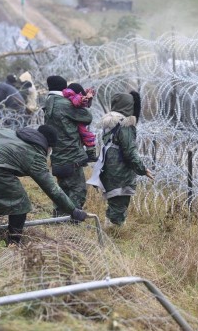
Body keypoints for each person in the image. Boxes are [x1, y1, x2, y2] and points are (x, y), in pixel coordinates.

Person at [0, 125, 87, 244]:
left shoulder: (10, 132)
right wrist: (72, 210)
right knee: (20, 203)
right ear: (48, 146)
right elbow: (52, 189)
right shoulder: (35, 154)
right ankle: (14, 242)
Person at [95, 91, 153, 227]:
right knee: (119, 204)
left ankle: (110, 228)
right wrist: (143, 169)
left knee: (114, 201)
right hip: (120, 170)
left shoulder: (109, 122)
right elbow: (129, 151)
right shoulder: (125, 124)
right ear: (128, 106)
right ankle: (114, 233)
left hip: (108, 166)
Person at [43, 75, 93, 215]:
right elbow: (87, 117)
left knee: (62, 191)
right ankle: (72, 223)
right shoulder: (65, 104)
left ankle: (58, 219)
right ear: (64, 88)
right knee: (78, 191)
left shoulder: (48, 102)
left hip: (57, 156)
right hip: (72, 157)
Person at [62, 83, 98, 162]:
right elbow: (76, 101)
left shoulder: (69, 95)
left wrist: (87, 97)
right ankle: (91, 154)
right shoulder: (73, 96)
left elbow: (84, 103)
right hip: (77, 122)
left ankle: (89, 153)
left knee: (84, 136)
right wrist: (83, 99)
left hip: (75, 120)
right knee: (87, 135)